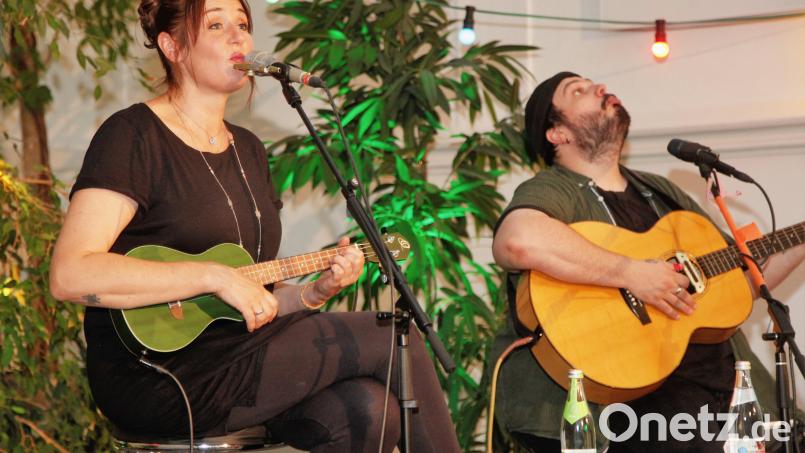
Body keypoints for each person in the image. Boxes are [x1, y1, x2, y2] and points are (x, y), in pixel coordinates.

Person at [48, 1, 461, 452]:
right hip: (157, 373)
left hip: (244, 355)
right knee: (388, 334)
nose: (238, 38)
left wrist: (311, 294)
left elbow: (251, 298)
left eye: (243, 25)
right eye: (216, 25)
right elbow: (71, 275)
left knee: (367, 411)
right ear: (172, 46)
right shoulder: (133, 135)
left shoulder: (248, 150)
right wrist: (211, 276)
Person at [490, 71, 805, 452]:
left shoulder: (660, 191)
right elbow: (519, 241)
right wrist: (633, 274)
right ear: (557, 133)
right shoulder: (553, 189)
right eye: (579, 91)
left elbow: (751, 276)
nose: (600, 88)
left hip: (721, 397)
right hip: (634, 414)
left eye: (595, 83)